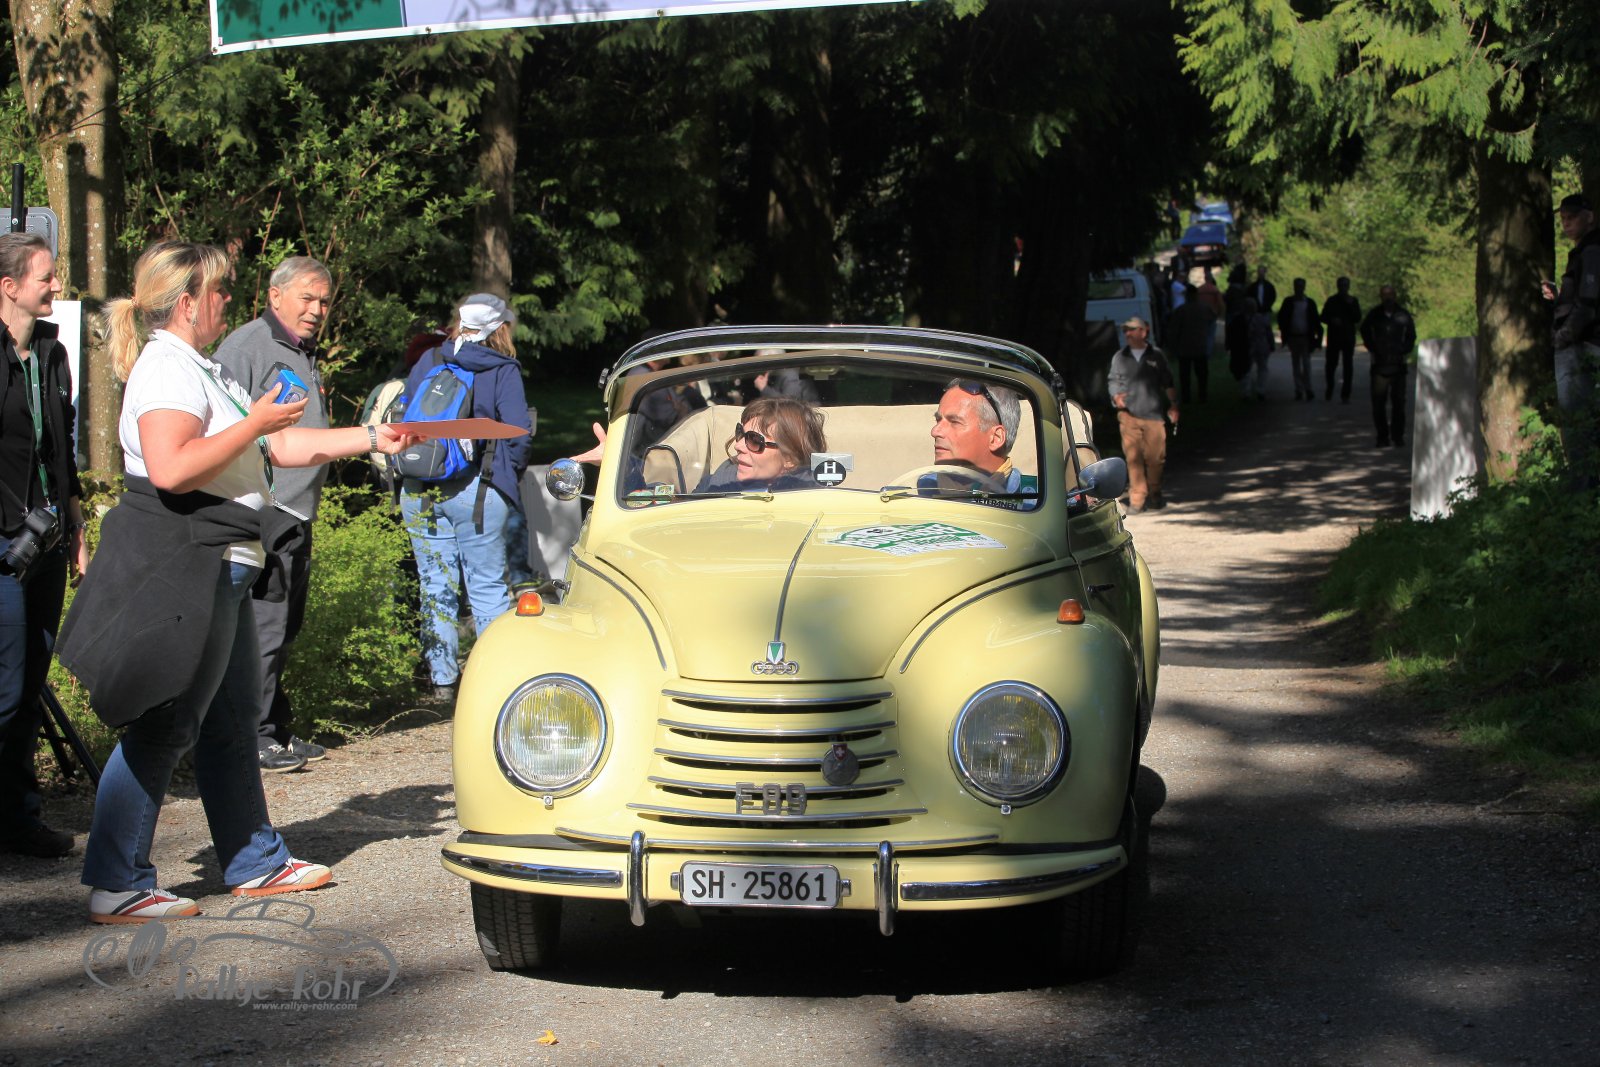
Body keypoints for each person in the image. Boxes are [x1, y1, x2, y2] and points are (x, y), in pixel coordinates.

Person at [62, 241, 415, 922]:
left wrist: (374, 438)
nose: (229, 299)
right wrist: (254, 421)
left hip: (223, 559)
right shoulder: (166, 367)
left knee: (230, 721)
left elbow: (278, 446)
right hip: (187, 561)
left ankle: (255, 859)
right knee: (168, 719)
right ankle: (117, 880)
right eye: (220, 290)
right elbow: (171, 468)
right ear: (187, 301)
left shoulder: (202, 366)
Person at [212, 256, 333, 774]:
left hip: (298, 510)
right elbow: (219, 424)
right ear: (275, 296)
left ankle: (274, 729)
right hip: (266, 509)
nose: (317, 310)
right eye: (307, 298)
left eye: (324, 301)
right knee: (264, 626)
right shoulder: (247, 346)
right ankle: (252, 735)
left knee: (284, 627)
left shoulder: (301, 350)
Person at [0, 232, 87, 858]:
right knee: (4, 688)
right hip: (3, 546)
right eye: (46, 276)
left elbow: (63, 447)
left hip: (48, 542)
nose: (57, 284)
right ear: (9, 287)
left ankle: (19, 819)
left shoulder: (52, 353)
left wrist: (75, 525)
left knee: (31, 682)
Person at [399, 294, 533, 700]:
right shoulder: (502, 369)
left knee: (434, 585)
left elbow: (405, 411)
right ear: (500, 328)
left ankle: (442, 683)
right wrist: (507, 476)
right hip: (478, 489)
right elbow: (518, 434)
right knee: (487, 587)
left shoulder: (430, 359)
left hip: (419, 486)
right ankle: (491, 685)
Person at [1545, 193, 1600, 484]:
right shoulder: (1584, 251)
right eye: (1563, 219)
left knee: (1577, 424)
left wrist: (1564, 336)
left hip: (1583, 346)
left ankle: (1583, 490)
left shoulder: (1591, 251)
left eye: (1573, 217)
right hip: (1582, 342)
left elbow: (1588, 303)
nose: (1566, 224)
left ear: (1589, 217)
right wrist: (1559, 297)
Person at [1106, 316, 1178, 513]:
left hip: (1153, 415)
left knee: (1156, 459)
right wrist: (1115, 397)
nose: (1127, 334)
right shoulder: (1120, 357)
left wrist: (1173, 405)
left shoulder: (1156, 355)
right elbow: (1113, 380)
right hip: (1128, 416)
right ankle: (1137, 499)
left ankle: (1155, 493)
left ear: (1143, 332)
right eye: (1125, 330)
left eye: (1131, 329)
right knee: (1133, 458)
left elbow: (1168, 381)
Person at [695, 397, 827, 492]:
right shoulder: (710, 487)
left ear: (790, 458)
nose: (738, 446)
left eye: (754, 440)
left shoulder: (821, 502)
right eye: (740, 433)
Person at [1359, 285, 1416, 448]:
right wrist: (1373, 347)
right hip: (1379, 366)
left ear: (1395, 296)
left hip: (1398, 366)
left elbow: (1411, 336)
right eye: (1385, 294)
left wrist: (1403, 350)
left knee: (1399, 403)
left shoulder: (1403, 315)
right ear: (1381, 296)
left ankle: (1397, 436)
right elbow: (1364, 330)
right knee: (1378, 404)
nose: (1388, 297)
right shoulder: (1375, 314)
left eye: (1390, 294)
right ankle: (1382, 436)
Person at [1165, 282, 1217, 403]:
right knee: (1202, 374)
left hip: (1185, 347)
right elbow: (1212, 319)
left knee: (1185, 375)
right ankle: (1202, 396)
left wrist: (1172, 347)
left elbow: (1174, 330)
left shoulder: (1181, 310)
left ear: (1187, 296)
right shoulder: (1204, 308)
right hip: (1200, 346)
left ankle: (1186, 397)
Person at [1277, 277, 1323, 402]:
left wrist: (1318, 339)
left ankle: (1308, 388)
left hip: (1306, 337)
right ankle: (1299, 389)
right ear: (1294, 287)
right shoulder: (1288, 302)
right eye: (1297, 286)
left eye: (1301, 286)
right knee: (1296, 364)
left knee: (1306, 364)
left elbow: (1316, 321)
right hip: (1293, 337)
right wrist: (1284, 333)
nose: (1299, 289)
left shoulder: (1309, 303)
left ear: (1304, 287)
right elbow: (1281, 318)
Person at [1320, 276, 1362, 403]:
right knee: (1331, 365)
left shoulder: (1353, 301)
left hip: (1348, 337)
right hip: (1334, 337)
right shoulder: (1332, 301)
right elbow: (1323, 317)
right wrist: (1332, 320)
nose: (1343, 288)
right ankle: (1330, 388)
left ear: (1348, 287)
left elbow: (1357, 318)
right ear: (1337, 286)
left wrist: (1350, 306)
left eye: (1345, 285)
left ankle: (1346, 394)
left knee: (1348, 366)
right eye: (1341, 285)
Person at [1247, 297, 1276, 400]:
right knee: (1262, 368)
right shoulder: (1263, 319)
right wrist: (1271, 344)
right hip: (1262, 346)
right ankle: (1261, 390)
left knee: (1247, 369)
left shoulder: (1243, 319)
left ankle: (1246, 391)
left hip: (1249, 346)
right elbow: (1269, 333)